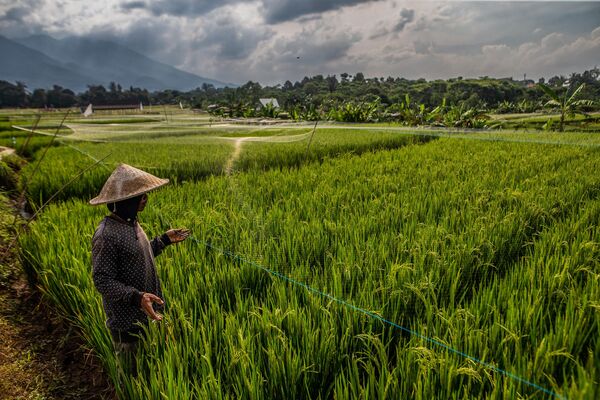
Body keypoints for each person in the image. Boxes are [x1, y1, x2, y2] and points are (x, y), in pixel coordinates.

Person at [90, 163, 189, 375]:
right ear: (125, 200)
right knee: (130, 378)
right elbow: (102, 280)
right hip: (126, 323)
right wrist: (137, 297)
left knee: (147, 375)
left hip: (145, 316)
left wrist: (164, 240)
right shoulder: (106, 235)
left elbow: (138, 257)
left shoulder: (131, 223)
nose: (145, 199)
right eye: (140, 196)